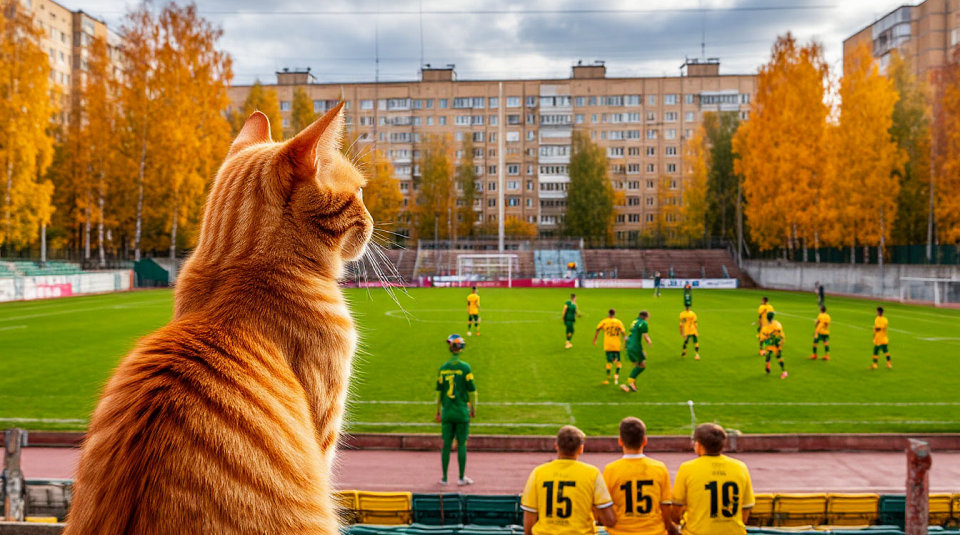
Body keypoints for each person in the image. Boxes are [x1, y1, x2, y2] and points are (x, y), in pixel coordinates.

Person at [521, 426, 616, 535]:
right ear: (581, 449)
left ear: (556, 446)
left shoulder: (538, 472)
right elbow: (608, 519)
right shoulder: (592, 473)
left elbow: (529, 515)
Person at [672, 423, 755, 535]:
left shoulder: (687, 468)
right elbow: (746, 508)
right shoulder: (740, 467)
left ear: (698, 445)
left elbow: (676, 508)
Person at [603, 418, 678, 535]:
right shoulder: (659, 467)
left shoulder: (611, 469)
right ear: (645, 441)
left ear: (620, 441)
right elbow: (665, 506)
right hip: (654, 532)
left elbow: (605, 507)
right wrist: (670, 527)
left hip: (621, 532)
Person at [435, 334, 477, 486]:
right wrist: (473, 408)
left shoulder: (443, 368)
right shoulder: (465, 367)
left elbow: (438, 393)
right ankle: (461, 478)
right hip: (461, 412)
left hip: (447, 412)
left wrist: (438, 411)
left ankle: (445, 478)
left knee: (446, 444)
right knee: (461, 444)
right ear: (461, 349)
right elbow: (472, 392)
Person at [622, 311, 652, 393]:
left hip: (629, 344)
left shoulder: (634, 321)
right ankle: (629, 383)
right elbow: (645, 335)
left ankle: (631, 383)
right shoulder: (644, 323)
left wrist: (625, 344)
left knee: (638, 364)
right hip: (635, 346)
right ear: (646, 317)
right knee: (642, 365)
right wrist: (649, 341)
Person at [594, 309, 626, 385]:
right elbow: (623, 332)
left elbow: (597, 329)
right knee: (618, 361)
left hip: (608, 344)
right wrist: (625, 341)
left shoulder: (604, 321)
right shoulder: (618, 322)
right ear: (614, 314)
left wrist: (595, 339)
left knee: (609, 361)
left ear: (608, 314)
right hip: (616, 344)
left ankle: (608, 376)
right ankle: (616, 375)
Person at [759, 311, 787, 379]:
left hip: (769, 343)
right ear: (772, 318)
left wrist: (761, 348)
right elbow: (781, 335)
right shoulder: (777, 324)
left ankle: (768, 366)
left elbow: (762, 339)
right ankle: (783, 371)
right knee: (779, 357)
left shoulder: (765, 328)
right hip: (776, 343)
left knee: (768, 355)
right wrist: (781, 342)